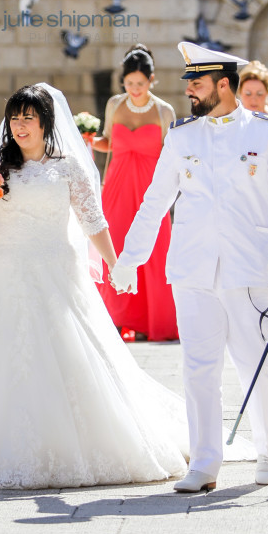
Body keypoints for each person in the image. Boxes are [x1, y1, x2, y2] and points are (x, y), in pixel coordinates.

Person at [0, 83, 195, 489]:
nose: (19, 126)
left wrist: (117, 265)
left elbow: (93, 222)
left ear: (46, 122)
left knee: (68, 351)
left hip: (55, 270)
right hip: (4, 269)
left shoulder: (67, 166)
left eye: (28, 118)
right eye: (14, 118)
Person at [111, 42, 268, 493]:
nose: (189, 92)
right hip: (194, 271)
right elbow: (154, 202)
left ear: (224, 84)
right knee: (198, 368)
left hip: (249, 271)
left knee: (258, 365)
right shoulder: (183, 136)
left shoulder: (266, 132)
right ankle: (204, 462)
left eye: (196, 84)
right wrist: (130, 257)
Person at [93, 44, 178, 341]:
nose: (135, 89)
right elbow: (108, 142)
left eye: (140, 84)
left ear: (151, 80)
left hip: (150, 190)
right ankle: (116, 319)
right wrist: (89, 139)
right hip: (116, 186)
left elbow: (172, 155)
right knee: (113, 247)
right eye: (129, 83)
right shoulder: (115, 105)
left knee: (154, 252)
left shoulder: (164, 110)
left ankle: (153, 320)